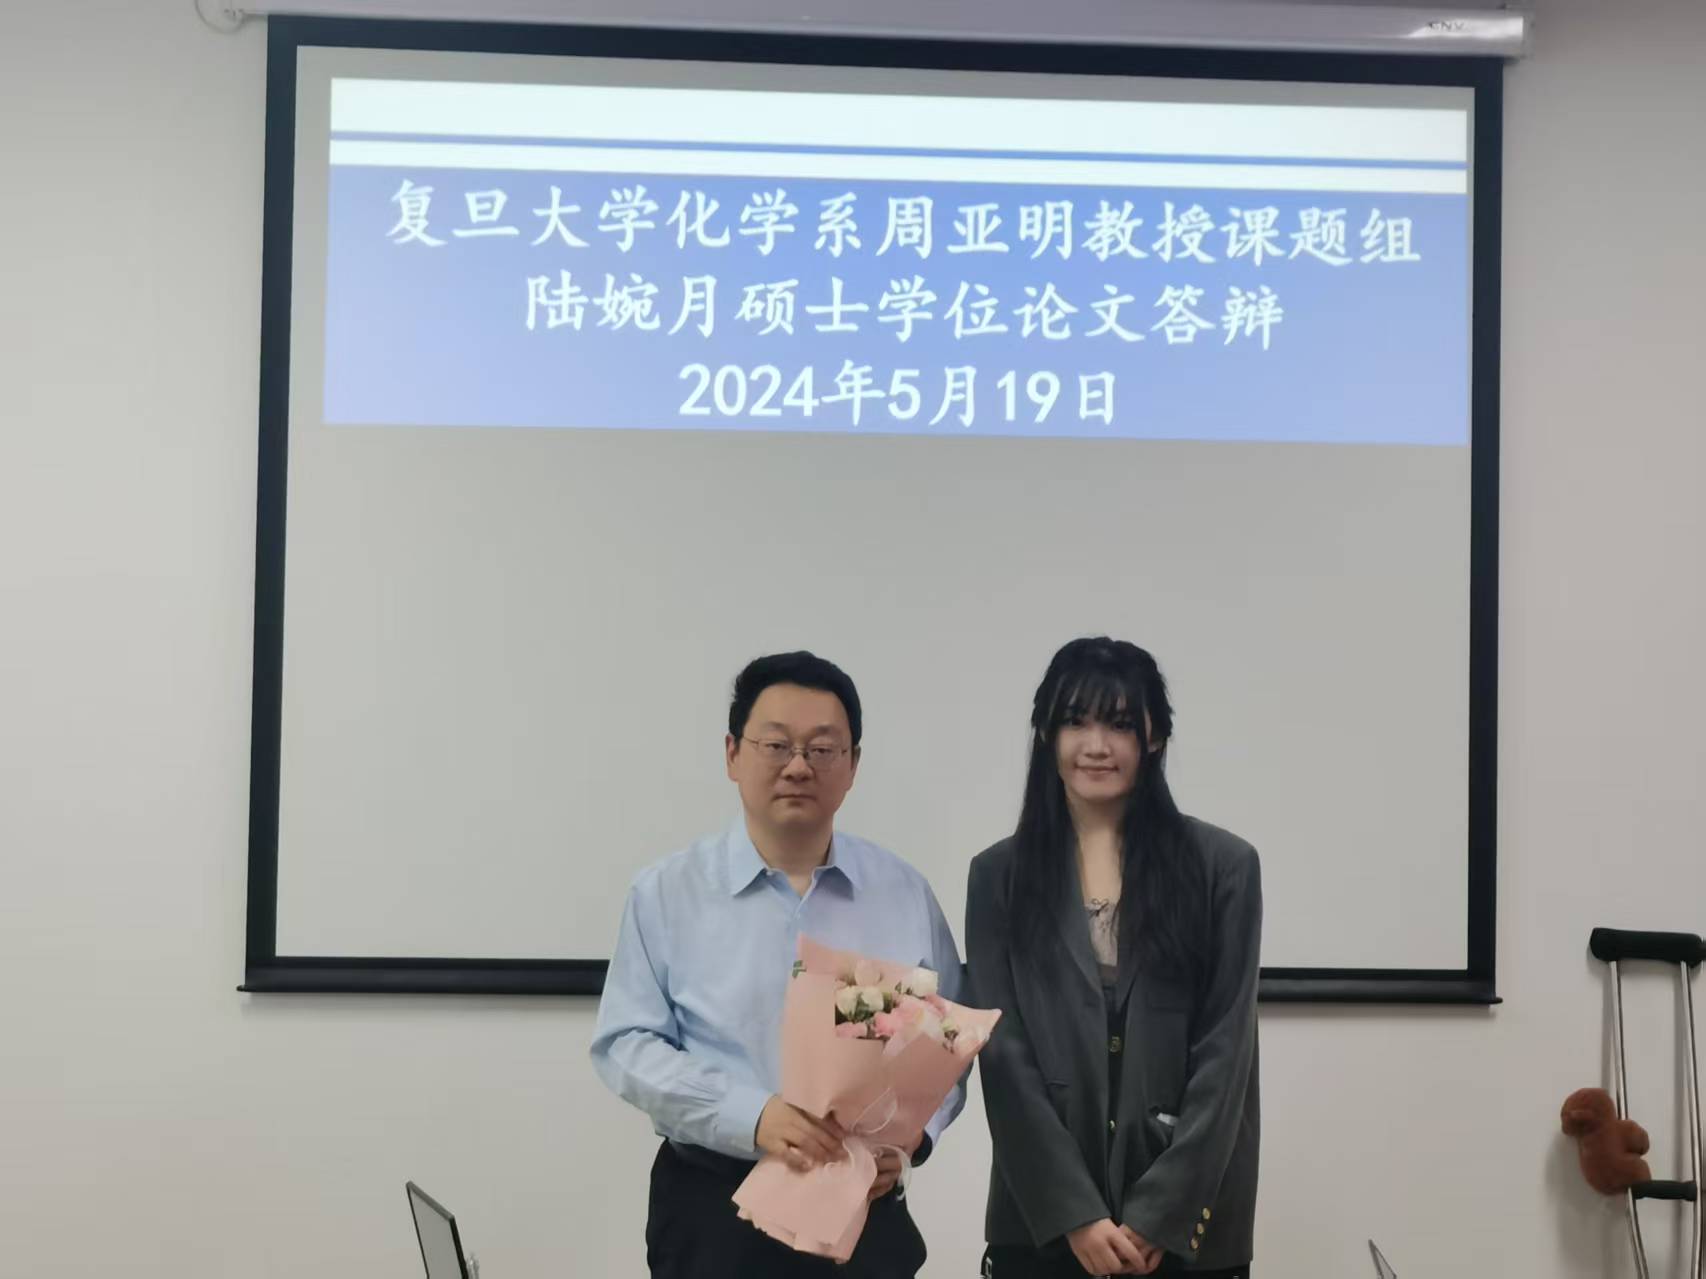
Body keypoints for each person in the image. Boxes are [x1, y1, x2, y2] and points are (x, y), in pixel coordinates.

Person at [591, 651, 965, 1279]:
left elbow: (945, 1041)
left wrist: (913, 1139)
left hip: (863, 1209)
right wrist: (753, 1115)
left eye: (822, 749)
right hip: (716, 1209)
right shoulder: (667, 893)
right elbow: (626, 1044)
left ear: (852, 766)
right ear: (732, 754)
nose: (798, 766)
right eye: (776, 745)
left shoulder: (902, 893)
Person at [967, 637, 1261, 1278]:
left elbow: (1226, 1055)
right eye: (1076, 721)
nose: (1096, 745)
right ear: (1046, 733)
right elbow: (1003, 1056)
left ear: (1154, 737)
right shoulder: (998, 876)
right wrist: (1074, 1214)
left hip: (1184, 1238)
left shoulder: (1224, 868)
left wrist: (1160, 1215)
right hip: (1042, 1230)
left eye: (1120, 724)